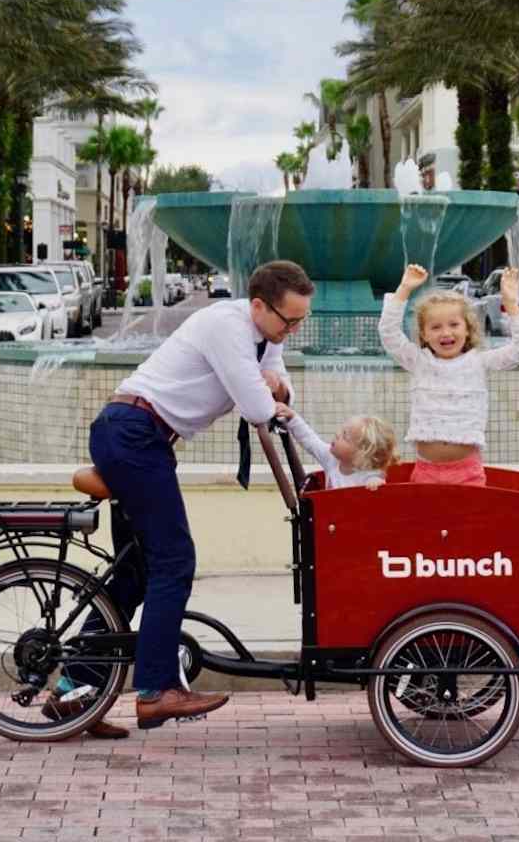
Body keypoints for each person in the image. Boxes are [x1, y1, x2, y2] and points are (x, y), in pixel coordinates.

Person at [50, 259, 314, 736]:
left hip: (140, 437)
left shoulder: (262, 335)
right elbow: (258, 404)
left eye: (300, 321)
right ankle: (155, 690)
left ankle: (73, 691)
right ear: (258, 305)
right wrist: (267, 388)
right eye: (288, 320)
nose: (292, 331)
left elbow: (280, 387)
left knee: (133, 576)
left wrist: (273, 384)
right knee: (174, 561)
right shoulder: (225, 326)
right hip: (133, 434)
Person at [381, 263, 519, 486]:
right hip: (426, 471)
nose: (446, 332)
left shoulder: (479, 361)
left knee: (471, 522)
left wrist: (511, 303)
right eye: (435, 327)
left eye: (454, 324)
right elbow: (389, 334)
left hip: (467, 472)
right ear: (424, 334)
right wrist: (404, 289)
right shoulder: (419, 361)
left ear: (467, 329)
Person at [280, 412, 395, 490]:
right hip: (332, 522)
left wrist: (377, 483)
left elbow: (378, 485)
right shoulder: (331, 458)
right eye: (342, 430)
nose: (337, 434)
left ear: (361, 454)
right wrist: (292, 418)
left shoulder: (368, 475)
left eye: (345, 436)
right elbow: (310, 440)